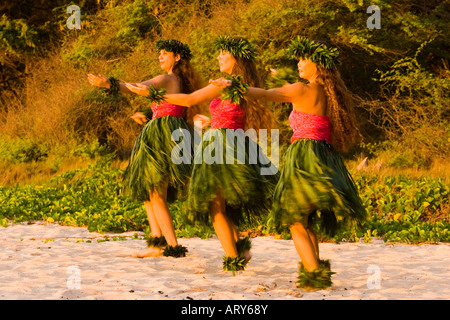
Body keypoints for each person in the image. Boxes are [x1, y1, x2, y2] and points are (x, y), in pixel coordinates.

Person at [215, 37, 366, 288]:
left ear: (318, 63)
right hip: (325, 155)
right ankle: (315, 270)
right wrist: (282, 79)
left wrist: (235, 85)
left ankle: (315, 275)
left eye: (303, 59)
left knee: (295, 219)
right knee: (307, 219)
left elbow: (265, 94)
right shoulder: (325, 92)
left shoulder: (301, 88)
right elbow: (289, 91)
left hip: (303, 157)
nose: (299, 63)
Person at [154, 36, 278, 272]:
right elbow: (228, 114)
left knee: (215, 204)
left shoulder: (231, 84)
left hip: (223, 147)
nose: (219, 57)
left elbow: (190, 99)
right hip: (226, 141)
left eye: (223, 53)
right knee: (222, 203)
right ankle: (240, 248)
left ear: (237, 59)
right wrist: (212, 121)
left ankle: (233, 260)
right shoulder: (236, 84)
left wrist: (155, 96)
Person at [88, 39, 202, 258]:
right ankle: (156, 242)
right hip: (169, 131)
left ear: (177, 57)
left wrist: (108, 85)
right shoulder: (179, 80)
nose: (160, 56)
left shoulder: (167, 78)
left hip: (161, 135)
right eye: (158, 53)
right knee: (149, 194)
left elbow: (137, 87)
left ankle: (172, 246)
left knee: (156, 194)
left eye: (164, 53)